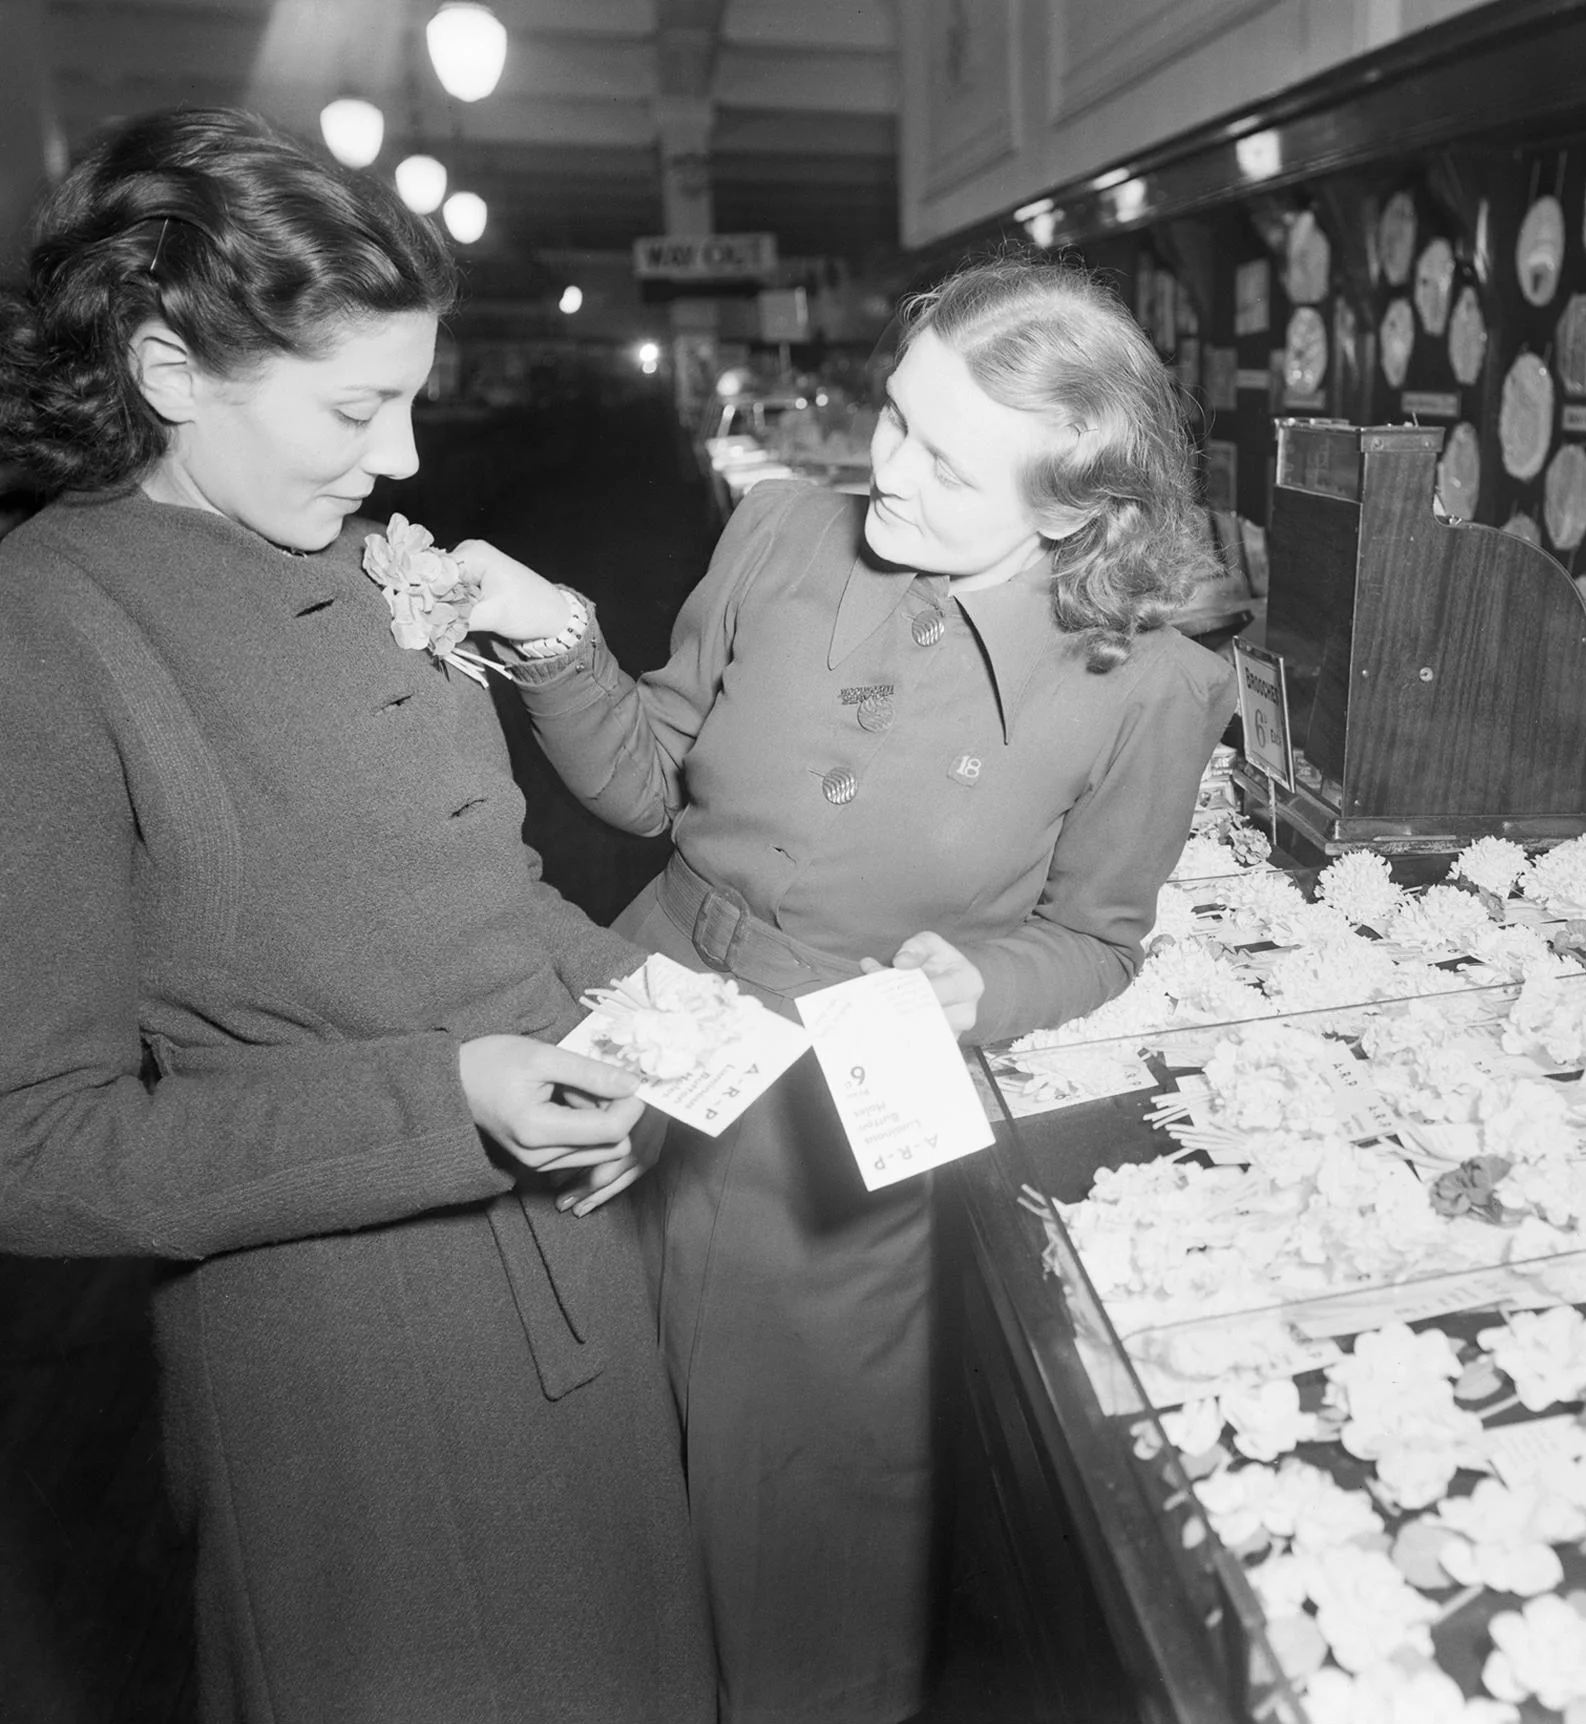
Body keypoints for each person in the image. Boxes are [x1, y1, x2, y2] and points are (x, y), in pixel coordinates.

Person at [0, 109, 715, 1721]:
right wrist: (445, 1103)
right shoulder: (48, 632)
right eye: (354, 405)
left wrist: (657, 1051)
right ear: (173, 375)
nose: (402, 459)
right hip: (353, 1388)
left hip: (582, 1285)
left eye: (410, 399)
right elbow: (34, 1144)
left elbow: (489, 888)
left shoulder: (366, 551)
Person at [467, 256, 1238, 1723]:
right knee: (581, 1455)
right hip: (643, 1017)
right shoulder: (779, 530)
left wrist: (985, 982)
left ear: (1070, 507)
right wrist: (559, 641)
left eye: (947, 466)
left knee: (806, 1513)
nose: (884, 471)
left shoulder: (1152, 691)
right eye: (894, 418)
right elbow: (646, 780)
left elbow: (1100, 937)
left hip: (841, 1115)